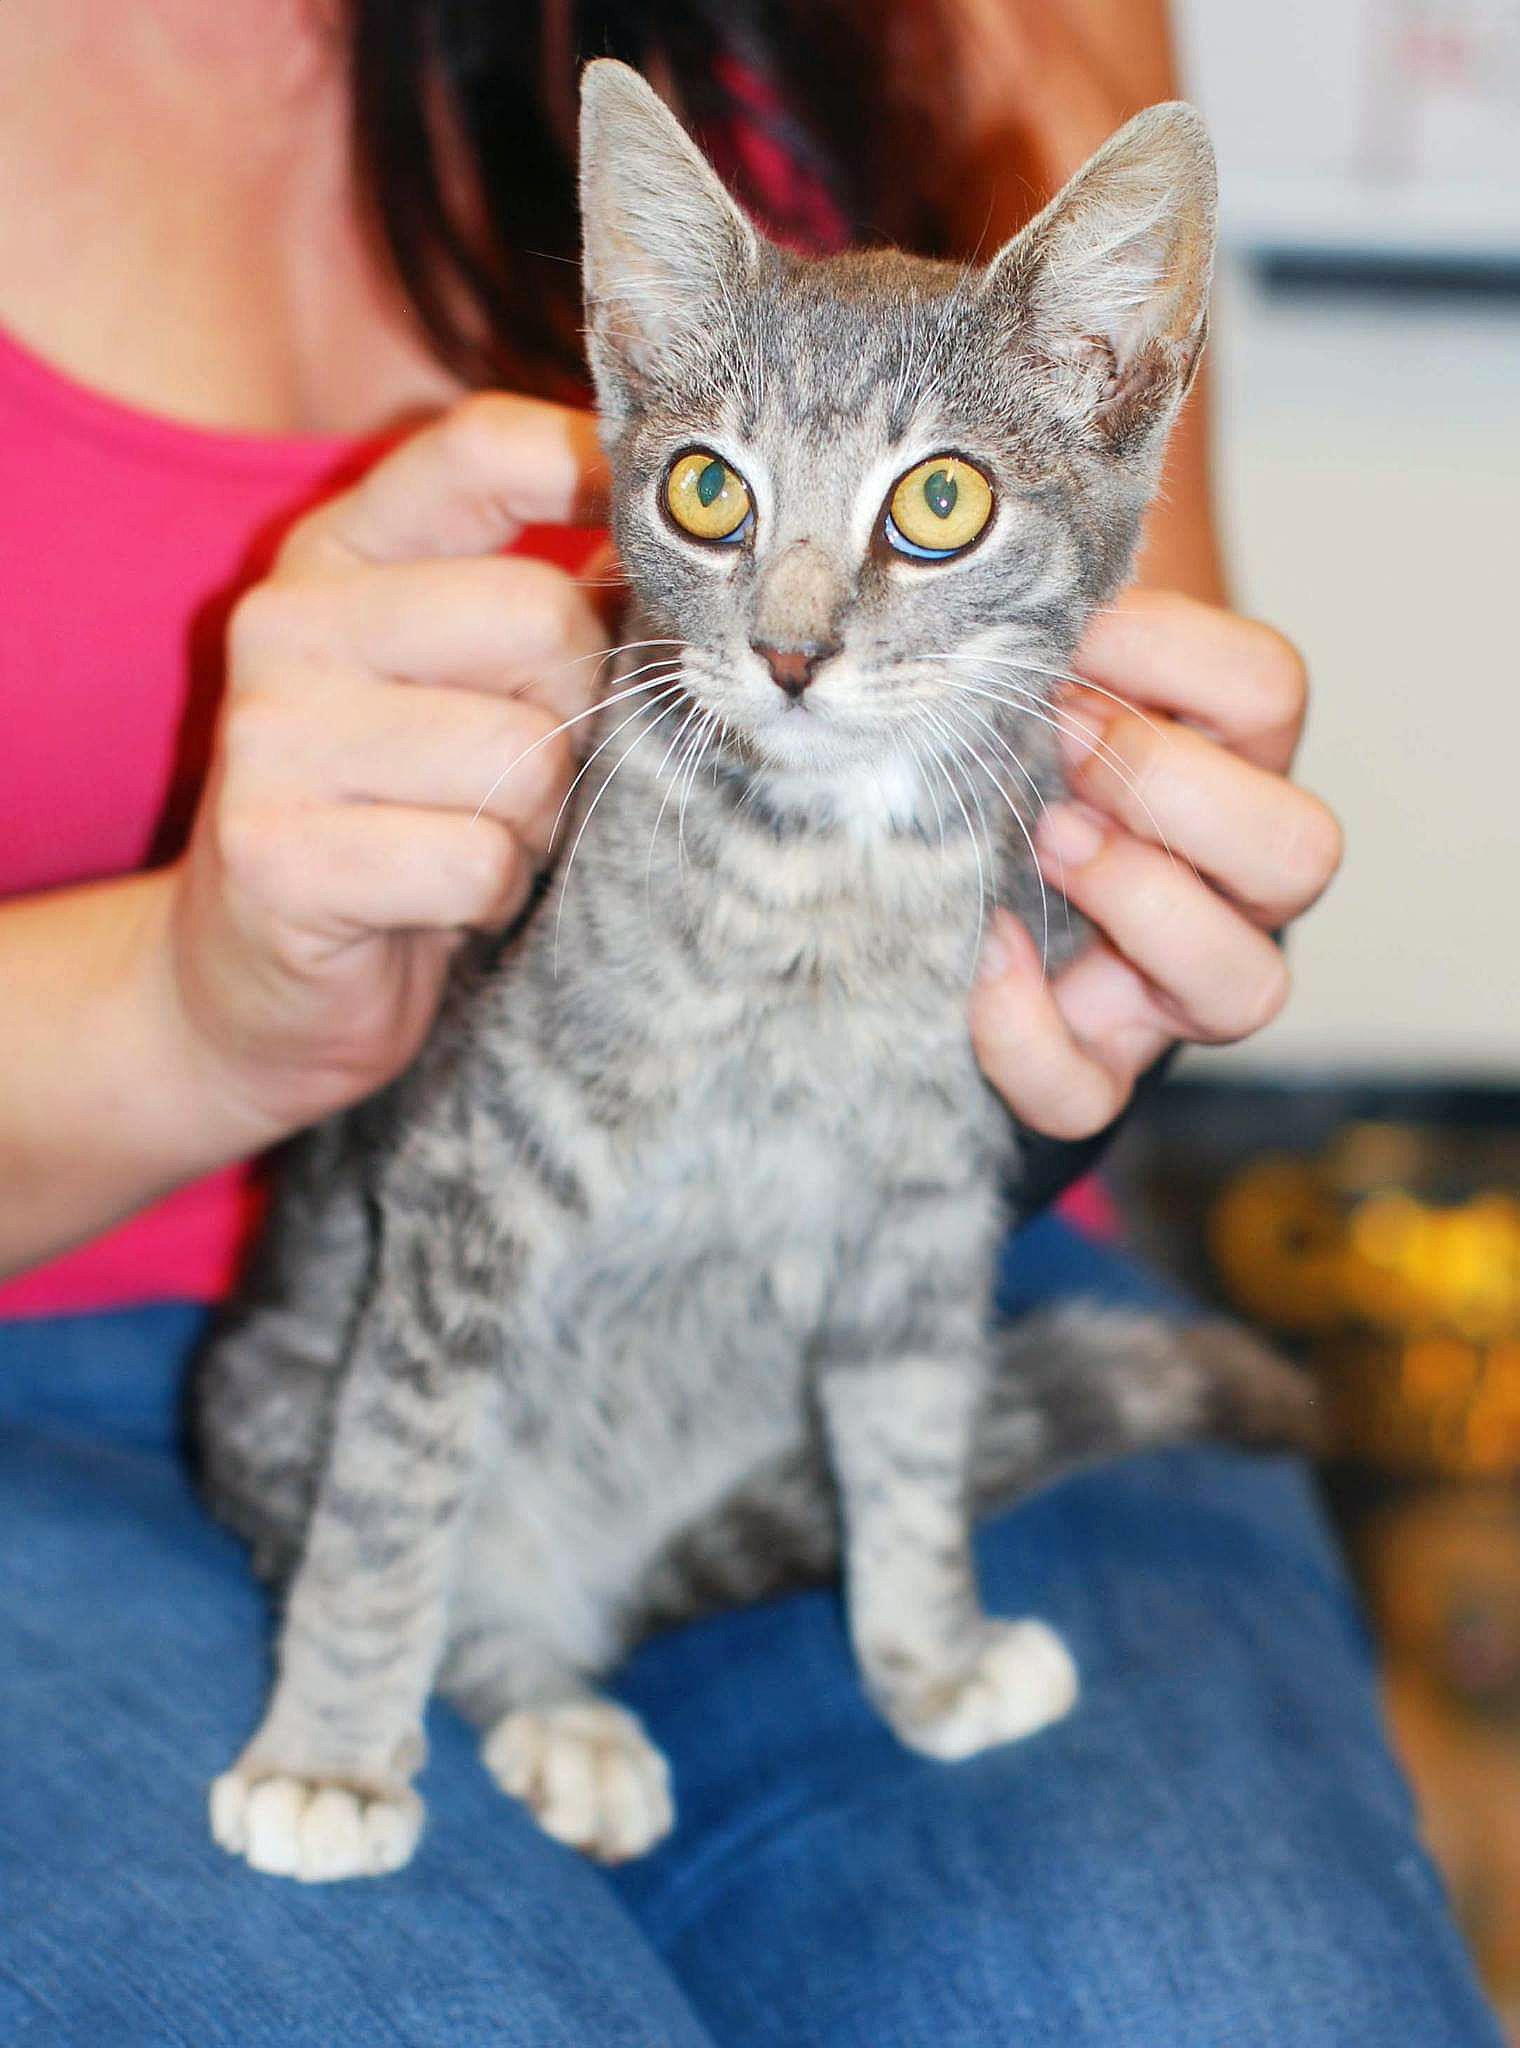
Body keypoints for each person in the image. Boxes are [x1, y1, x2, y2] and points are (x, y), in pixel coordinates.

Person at [0, 3, 1498, 2041]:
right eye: (716, 504)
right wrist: (193, 1004)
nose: (792, 635)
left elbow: (1108, 754)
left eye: (920, 519)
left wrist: (1092, 968)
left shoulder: (992, 31)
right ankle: (502, 1673)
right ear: (631, 358)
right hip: (95, 1349)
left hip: (872, 1286)